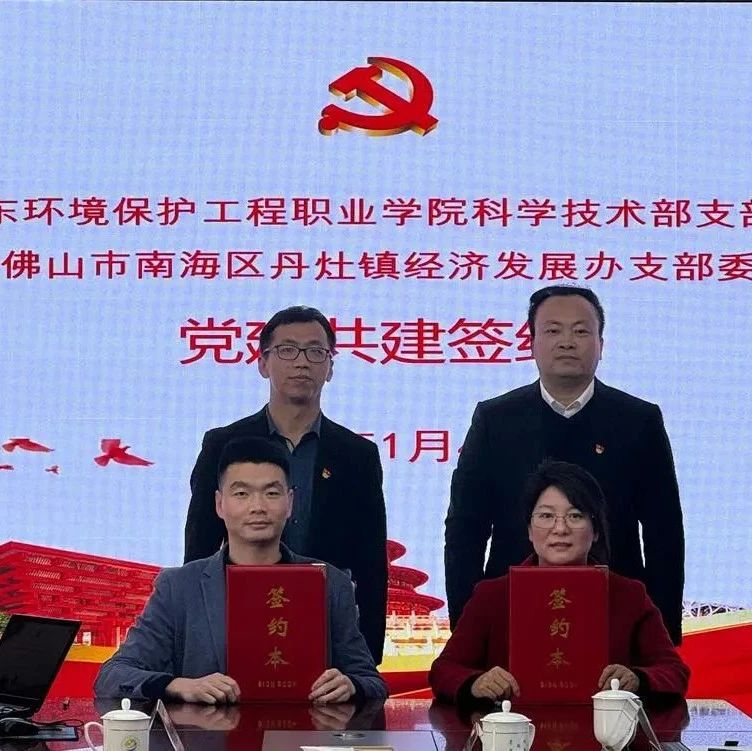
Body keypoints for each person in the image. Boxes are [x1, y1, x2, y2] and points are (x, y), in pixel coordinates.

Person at [444, 285, 684, 644]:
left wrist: (660, 635)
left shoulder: (638, 420)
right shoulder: (496, 419)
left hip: (616, 619)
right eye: (553, 330)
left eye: (581, 331)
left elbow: (664, 530)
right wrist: (468, 628)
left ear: (601, 344)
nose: (567, 342)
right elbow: (466, 527)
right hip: (512, 616)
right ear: (531, 343)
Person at [95, 438, 388, 703]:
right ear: (219, 504)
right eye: (241, 493)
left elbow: (371, 681)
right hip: (207, 738)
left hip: (303, 736)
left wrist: (350, 686)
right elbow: (112, 676)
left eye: (271, 493)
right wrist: (178, 686)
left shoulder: (329, 582)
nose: (257, 506)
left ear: (290, 503)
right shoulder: (179, 586)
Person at [183, 305, 387, 664]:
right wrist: (195, 647)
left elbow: (370, 561)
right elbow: (199, 549)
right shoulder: (223, 443)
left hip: (326, 634)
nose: (302, 362)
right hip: (238, 627)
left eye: (316, 351)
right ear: (263, 363)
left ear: (330, 367)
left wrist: (367, 662)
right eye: (288, 350)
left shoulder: (357, 454)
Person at [431, 461, 689, 704]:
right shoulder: (493, 595)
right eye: (546, 516)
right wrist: (475, 683)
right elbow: (445, 669)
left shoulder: (628, 595)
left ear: (596, 530)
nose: (560, 529)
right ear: (529, 530)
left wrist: (638, 679)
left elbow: (674, 671)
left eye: (575, 516)